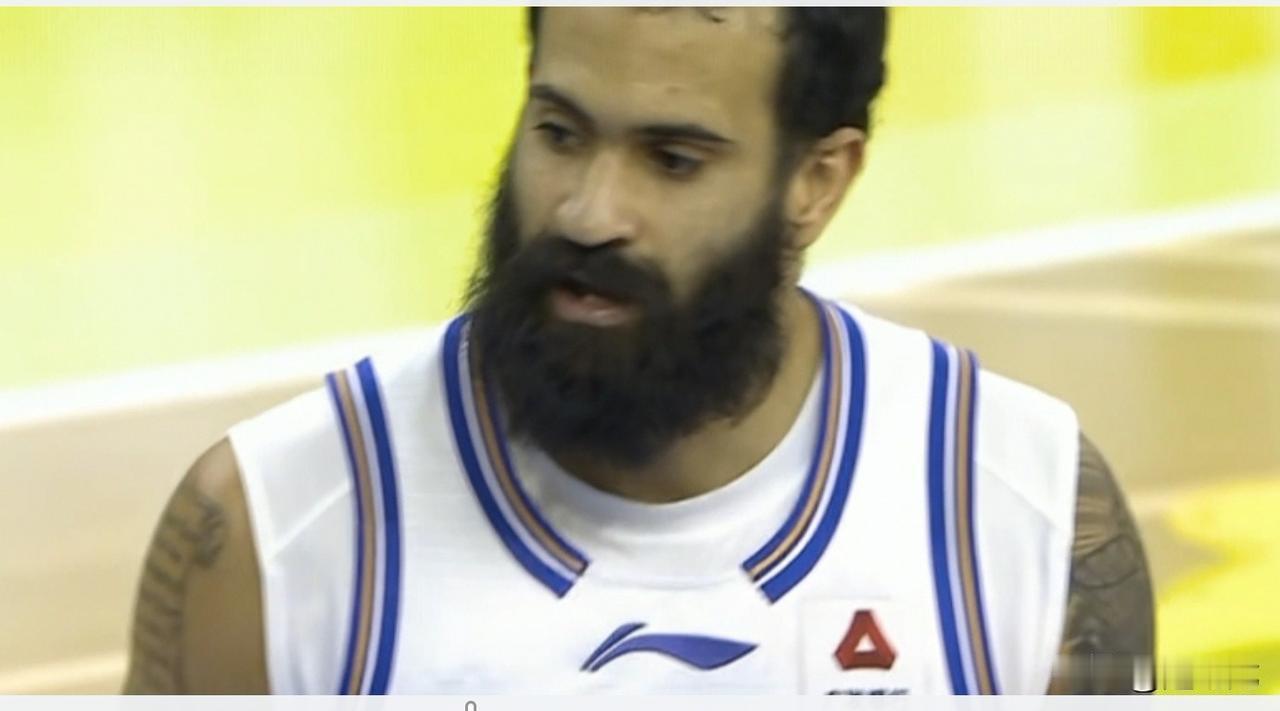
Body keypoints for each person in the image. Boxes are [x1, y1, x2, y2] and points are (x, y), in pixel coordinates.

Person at [123, 7, 1153, 695]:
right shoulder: (272, 532)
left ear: (817, 182)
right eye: (559, 132)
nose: (588, 211)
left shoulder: (1026, 512)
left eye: (671, 159)